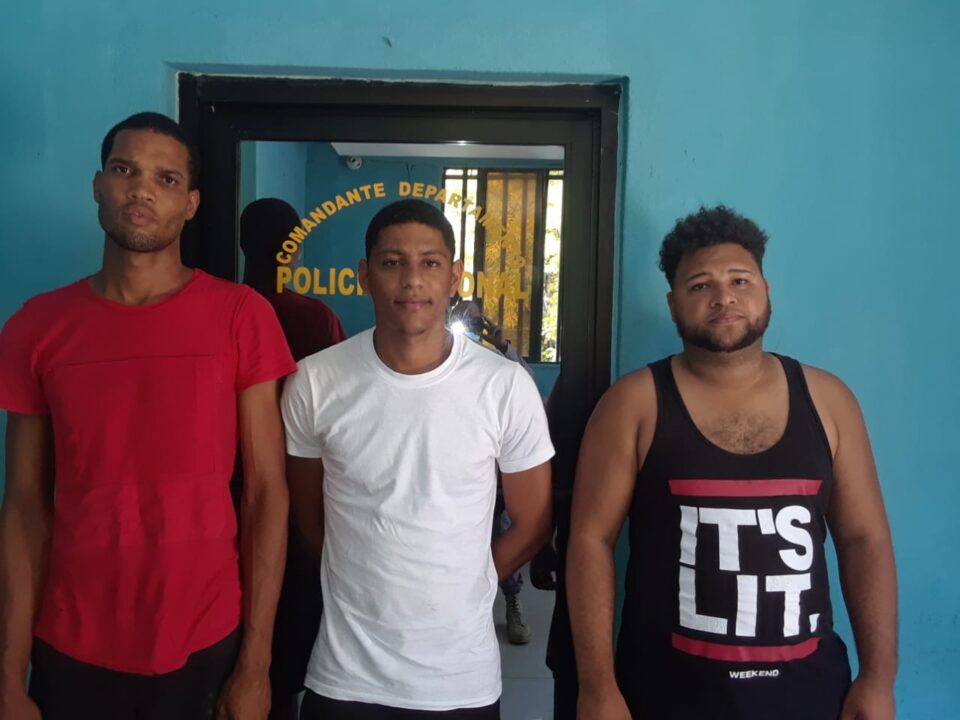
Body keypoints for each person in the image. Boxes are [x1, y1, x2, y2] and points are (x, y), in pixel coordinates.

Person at [0, 112, 296, 720]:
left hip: (206, 640)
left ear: (190, 204)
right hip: (71, 642)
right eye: (124, 170)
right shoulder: (37, 326)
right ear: (98, 185)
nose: (141, 189)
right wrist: (8, 674)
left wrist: (256, 665)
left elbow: (266, 493)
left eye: (166, 179)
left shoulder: (240, 316)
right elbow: (24, 505)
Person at [567, 206, 897, 719]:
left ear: (766, 290)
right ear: (673, 304)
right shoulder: (633, 404)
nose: (724, 297)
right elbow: (590, 541)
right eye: (701, 285)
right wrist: (597, 688)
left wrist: (878, 678)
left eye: (739, 280)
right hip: (664, 697)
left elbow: (864, 540)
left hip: (809, 697)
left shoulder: (829, 400)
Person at [282, 199, 554, 719]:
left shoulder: (503, 387)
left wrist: (469, 584)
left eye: (430, 263)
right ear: (365, 276)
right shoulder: (314, 381)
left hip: (460, 681)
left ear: (454, 277)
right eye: (392, 262)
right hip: (344, 677)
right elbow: (310, 522)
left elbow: (534, 522)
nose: (412, 280)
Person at [239, 197, 347, 720]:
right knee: (284, 648)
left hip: (229, 489)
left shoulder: (225, 310)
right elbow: (343, 414)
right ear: (296, 249)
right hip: (296, 488)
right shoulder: (312, 317)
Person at [450, 298, 533, 645]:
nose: (469, 327)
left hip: (496, 471)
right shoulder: (442, 355)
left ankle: (511, 601)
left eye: (475, 321)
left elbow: (526, 380)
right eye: (463, 320)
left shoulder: (497, 362)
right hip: (455, 469)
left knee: (504, 532)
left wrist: (500, 344)